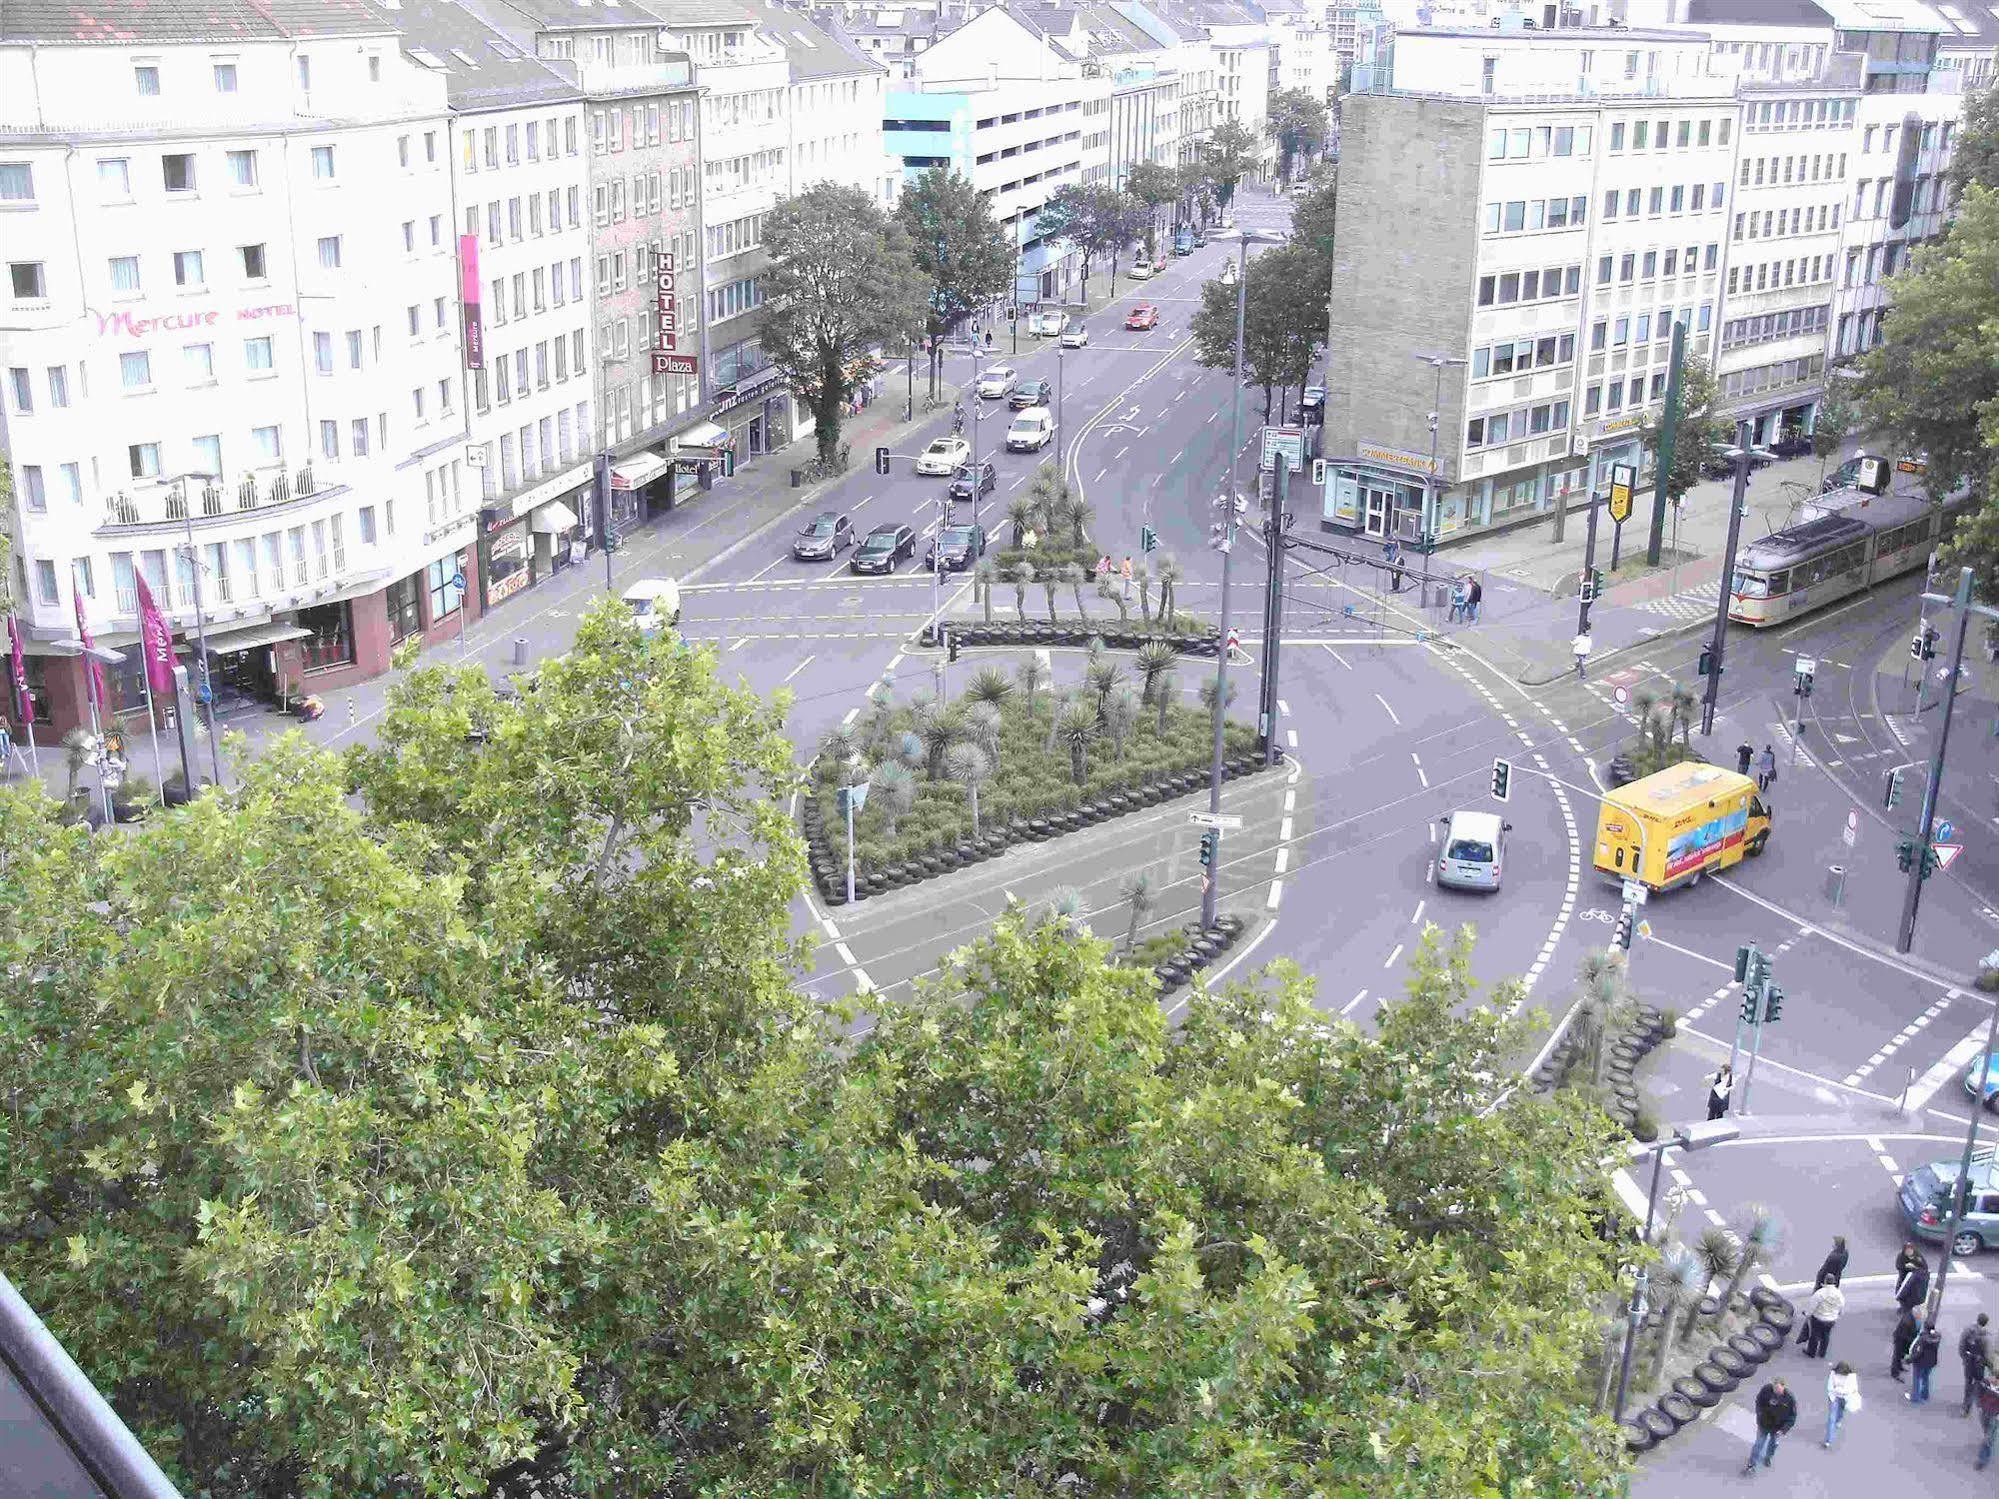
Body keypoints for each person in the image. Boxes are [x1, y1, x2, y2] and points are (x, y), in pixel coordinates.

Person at [1745, 1377, 1797, 1474]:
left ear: (1783, 1387)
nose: (1776, 1391)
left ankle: (1768, 1457)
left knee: (1773, 1445)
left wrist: (1784, 1430)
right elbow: (1758, 1401)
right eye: (1774, 1388)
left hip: (1778, 1429)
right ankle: (1751, 1465)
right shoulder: (1766, 1390)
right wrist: (1759, 1414)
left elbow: (1792, 1417)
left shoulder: (1789, 1399)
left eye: (1778, 1389)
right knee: (1758, 1444)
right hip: (1764, 1424)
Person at [1800, 1280, 1844, 1359]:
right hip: (1831, 1320)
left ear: (1825, 1281)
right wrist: (1838, 1315)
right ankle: (1822, 1353)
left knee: (1814, 1336)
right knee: (1826, 1335)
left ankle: (1811, 1352)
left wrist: (1807, 1314)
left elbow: (1812, 1307)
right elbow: (1841, 1305)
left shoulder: (1819, 1293)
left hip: (1818, 1318)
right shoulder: (1839, 1293)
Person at [1823, 1361, 1861, 1448]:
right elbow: (1830, 1387)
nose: (1840, 1375)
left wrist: (1839, 1390)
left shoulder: (1851, 1376)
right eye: (1839, 1373)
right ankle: (1828, 1440)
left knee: (1841, 1410)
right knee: (1831, 1418)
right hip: (1834, 1397)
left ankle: (1839, 1419)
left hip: (1845, 1397)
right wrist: (1839, 1390)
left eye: (1842, 1374)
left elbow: (1852, 1389)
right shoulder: (1833, 1374)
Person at [1963, 1314, 1993, 1415]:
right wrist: (1990, 1366)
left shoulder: (1968, 1331)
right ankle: (1976, 1405)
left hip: (1969, 1361)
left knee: (1968, 1383)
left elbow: (1962, 1345)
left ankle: (1966, 1405)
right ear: (1986, 1323)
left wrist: (1964, 1357)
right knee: (1977, 1384)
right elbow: (1987, 1355)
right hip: (1979, 1364)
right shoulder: (1986, 1336)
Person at [1910, 1324, 1943, 1404]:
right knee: (1925, 1378)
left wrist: (1910, 1359)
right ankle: (1925, 1395)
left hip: (1920, 1362)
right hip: (1931, 1362)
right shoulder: (1936, 1338)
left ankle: (1915, 1397)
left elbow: (1918, 1352)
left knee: (1917, 1379)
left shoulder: (1922, 1339)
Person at [1896, 1251, 1931, 1316]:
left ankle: (1906, 1312)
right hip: (1919, 1299)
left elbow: (1904, 1289)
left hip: (1911, 1299)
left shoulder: (1912, 1276)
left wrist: (1898, 1296)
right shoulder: (1924, 1273)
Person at [1891, 1305, 1921, 1381]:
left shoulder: (1911, 1317)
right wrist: (1913, 1341)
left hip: (1903, 1337)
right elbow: (1905, 1335)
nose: (1919, 1316)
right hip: (1900, 1338)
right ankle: (1895, 1373)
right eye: (1918, 1315)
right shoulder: (1907, 1321)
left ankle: (1899, 1367)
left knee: (1900, 1354)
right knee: (1897, 1355)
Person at [1978, 1368, 1999, 1468]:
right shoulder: (1987, 1383)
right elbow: (1978, 1392)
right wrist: (1980, 1404)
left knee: (1988, 1437)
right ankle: (1988, 1446)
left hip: (1995, 1416)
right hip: (1984, 1412)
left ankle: (1983, 1459)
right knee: (1986, 1432)